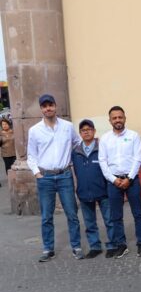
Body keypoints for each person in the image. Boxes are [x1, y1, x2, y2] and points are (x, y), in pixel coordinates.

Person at [27, 94, 82, 262]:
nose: (48, 108)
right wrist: (37, 173)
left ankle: (76, 247)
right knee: (46, 216)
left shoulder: (67, 126)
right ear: (41, 109)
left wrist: (72, 161)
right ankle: (48, 249)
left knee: (72, 213)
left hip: (65, 175)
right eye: (44, 106)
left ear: (55, 106)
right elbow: (31, 155)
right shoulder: (34, 130)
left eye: (50, 105)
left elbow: (77, 143)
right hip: (45, 177)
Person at [98, 106, 141, 258]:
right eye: (114, 118)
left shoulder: (133, 136)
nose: (117, 120)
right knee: (116, 216)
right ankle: (121, 244)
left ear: (125, 118)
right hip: (113, 181)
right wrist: (113, 179)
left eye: (120, 117)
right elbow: (102, 161)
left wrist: (129, 178)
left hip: (132, 180)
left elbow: (138, 158)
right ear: (110, 120)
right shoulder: (105, 139)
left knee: (137, 213)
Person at [72, 119, 114, 259]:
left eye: (89, 129)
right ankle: (95, 246)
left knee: (109, 220)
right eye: (83, 130)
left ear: (94, 131)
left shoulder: (102, 148)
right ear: (80, 133)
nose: (86, 132)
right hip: (84, 192)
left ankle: (112, 245)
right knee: (89, 223)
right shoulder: (75, 152)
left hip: (103, 190)